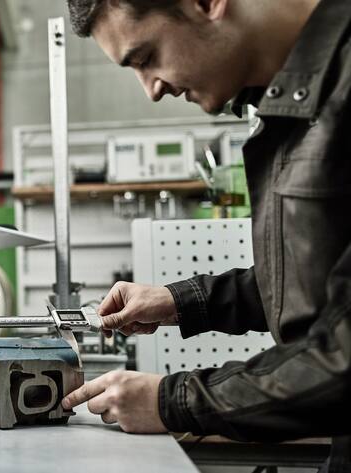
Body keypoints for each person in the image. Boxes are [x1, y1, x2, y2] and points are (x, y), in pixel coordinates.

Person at [59, 0, 351, 470]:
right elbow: (317, 276)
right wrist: (180, 301)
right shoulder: (292, 104)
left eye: (146, 56)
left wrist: (171, 401)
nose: (151, 89)